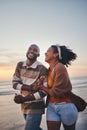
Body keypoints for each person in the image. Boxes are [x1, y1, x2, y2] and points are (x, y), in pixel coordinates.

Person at [37, 45, 78, 130]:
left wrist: (41, 87)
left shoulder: (60, 67)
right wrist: (40, 83)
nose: (45, 53)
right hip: (51, 106)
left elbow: (56, 92)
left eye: (48, 51)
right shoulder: (49, 70)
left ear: (55, 55)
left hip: (65, 106)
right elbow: (48, 87)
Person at [12, 44, 48, 130]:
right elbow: (14, 84)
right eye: (30, 49)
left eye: (35, 50)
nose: (31, 51)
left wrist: (24, 98)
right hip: (24, 105)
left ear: (38, 54)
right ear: (27, 51)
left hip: (36, 105)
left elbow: (44, 92)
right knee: (34, 128)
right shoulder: (20, 65)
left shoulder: (42, 69)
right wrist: (30, 88)